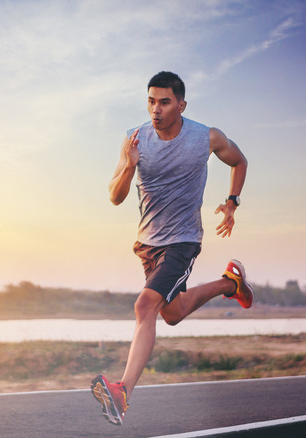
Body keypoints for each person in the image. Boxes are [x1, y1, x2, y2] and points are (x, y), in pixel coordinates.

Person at [90, 71, 254, 426]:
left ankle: (121, 393)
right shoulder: (134, 140)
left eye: (164, 102)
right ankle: (231, 283)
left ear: (181, 104)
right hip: (148, 243)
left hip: (182, 241)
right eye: (151, 101)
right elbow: (115, 197)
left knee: (145, 305)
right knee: (172, 312)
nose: (156, 109)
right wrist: (130, 167)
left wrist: (231, 203)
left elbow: (239, 161)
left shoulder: (205, 137)